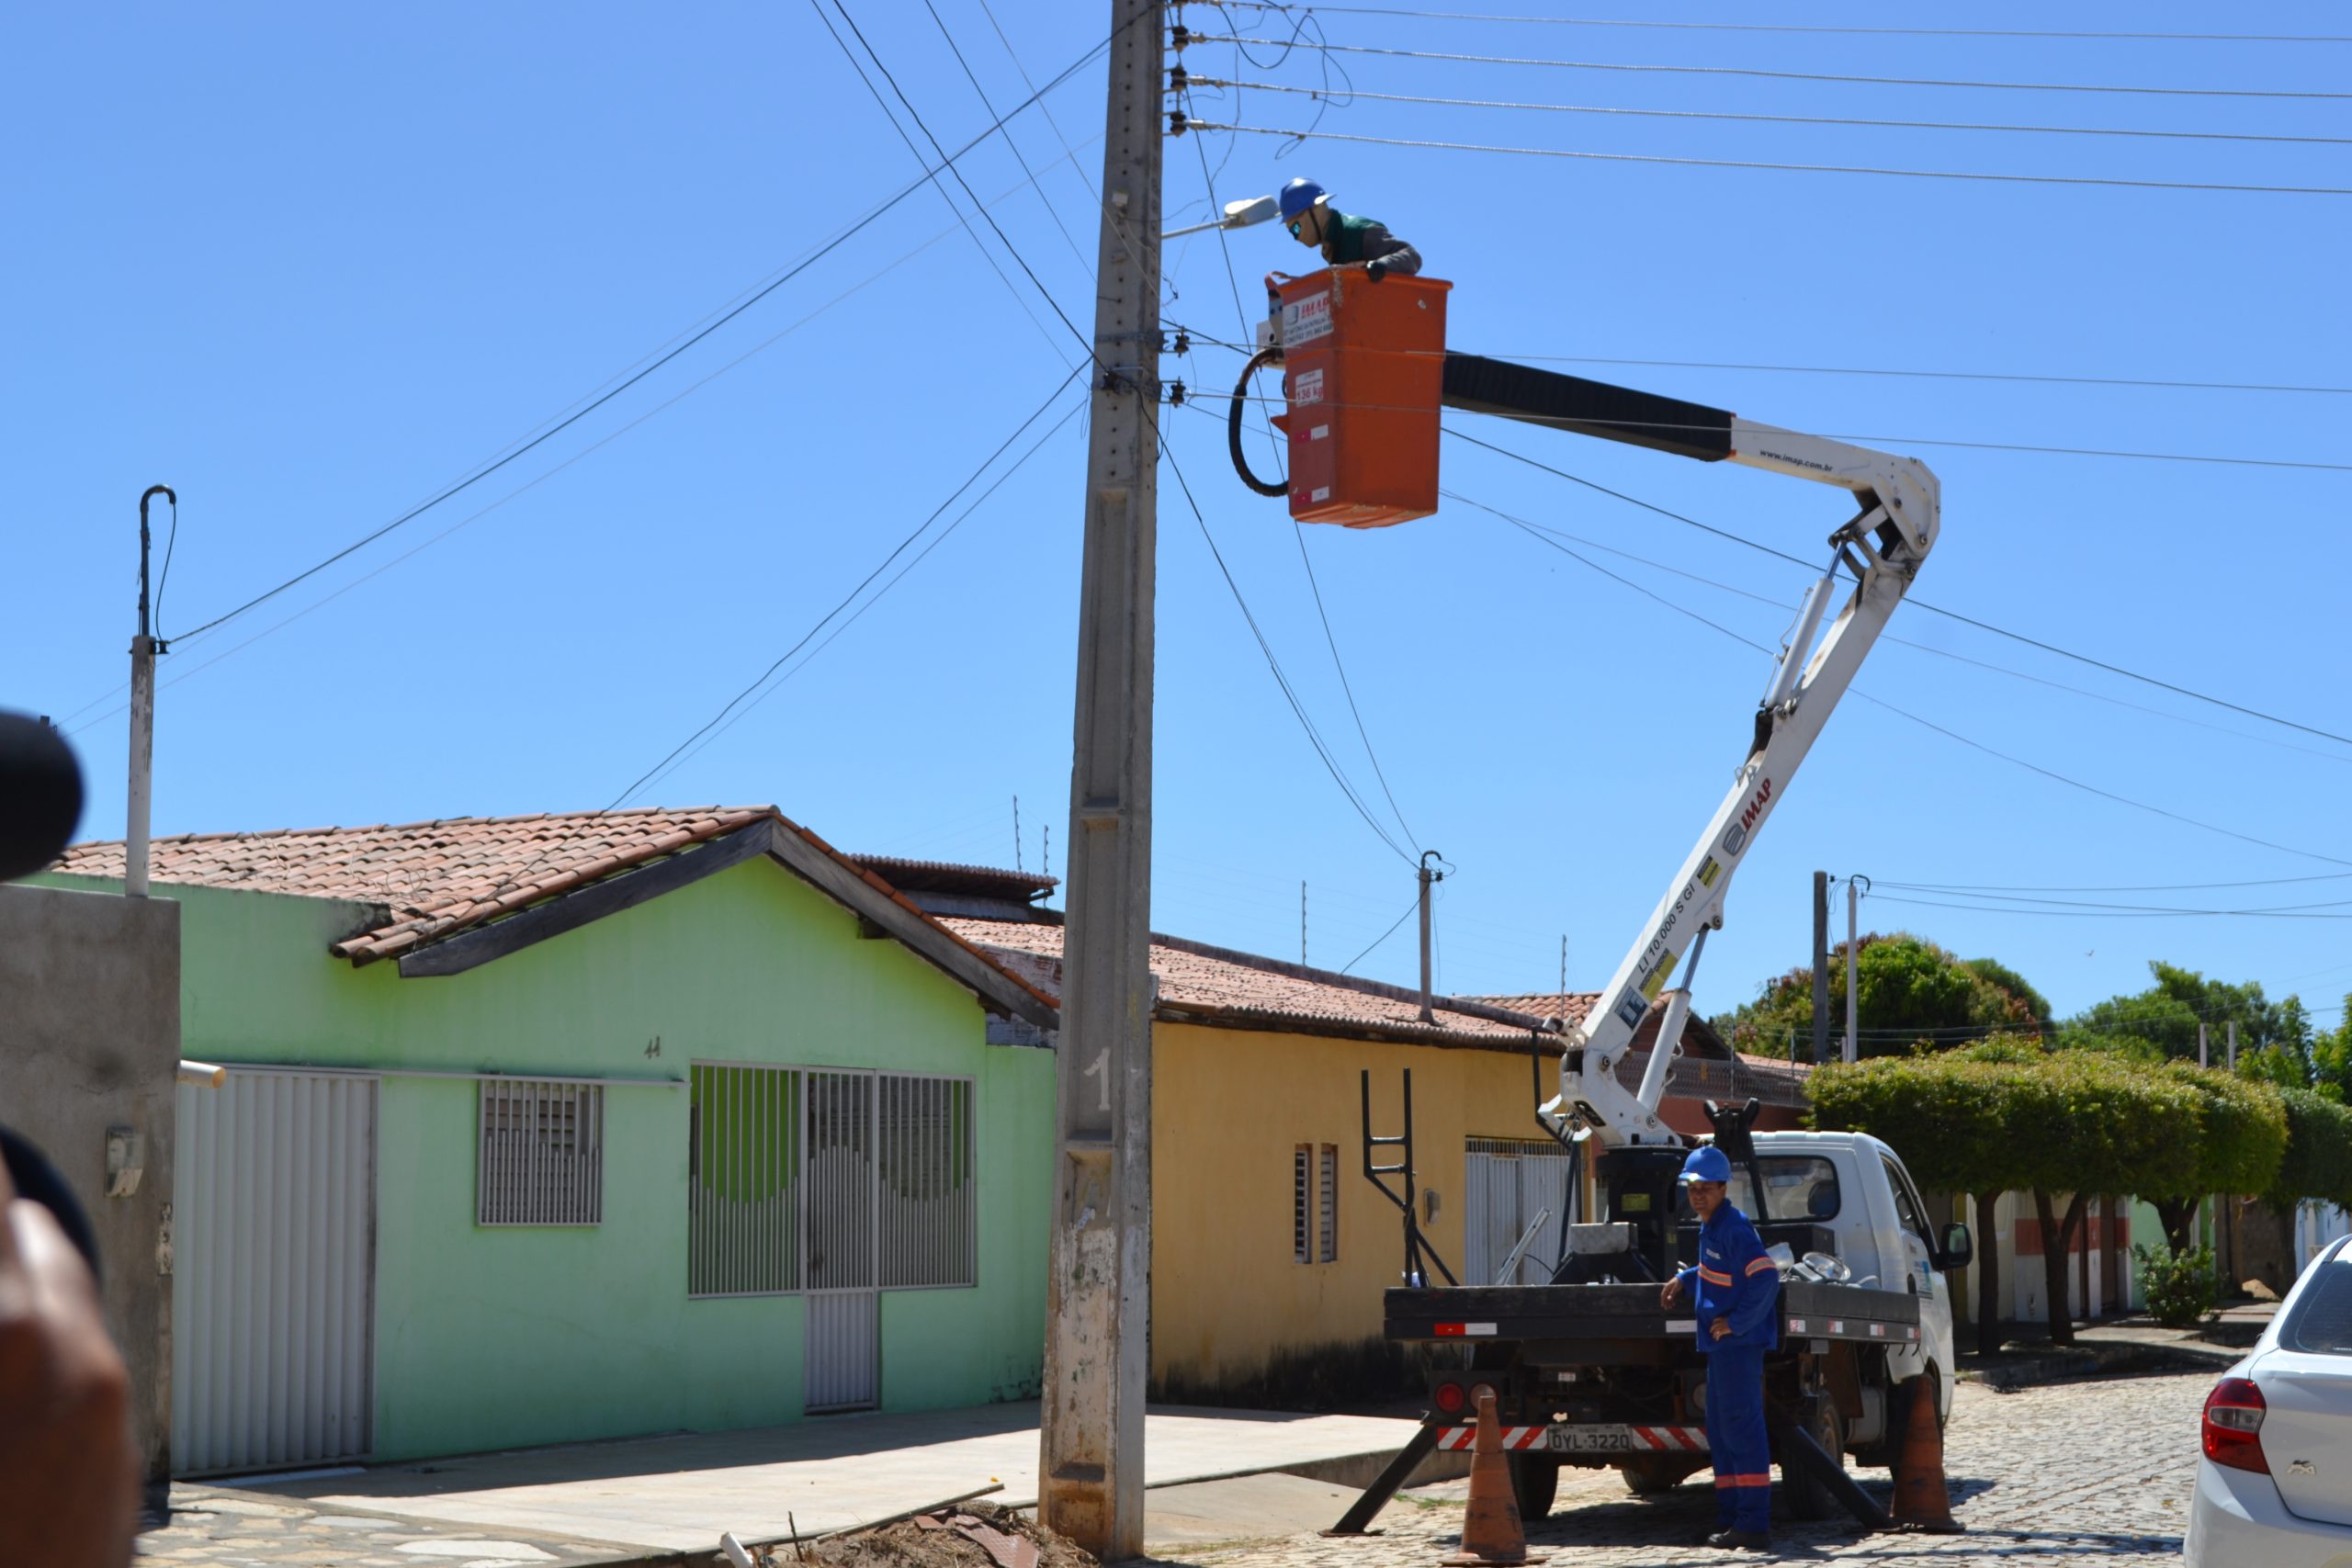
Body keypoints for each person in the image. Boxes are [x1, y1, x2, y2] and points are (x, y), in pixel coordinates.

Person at [1659, 1144, 1781, 1553]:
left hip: (1737, 1347)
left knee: (1741, 1431)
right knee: (1724, 1432)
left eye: (1706, 1188)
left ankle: (1753, 1524)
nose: (1698, 1194)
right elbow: (1720, 1270)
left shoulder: (1733, 1227)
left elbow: (1765, 1279)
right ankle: (1732, 1520)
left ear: (1723, 1188)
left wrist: (1737, 1324)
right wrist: (1688, 1278)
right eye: (1692, 1187)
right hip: (1721, 1349)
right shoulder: (1713, 1227)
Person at [1277, 178, 1421, 279]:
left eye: (1295, 228)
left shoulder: (1358, 232)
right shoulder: (1331, 245)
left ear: (1315, 210)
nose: (1295, 237)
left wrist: (1380, 265)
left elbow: (1412, 256)